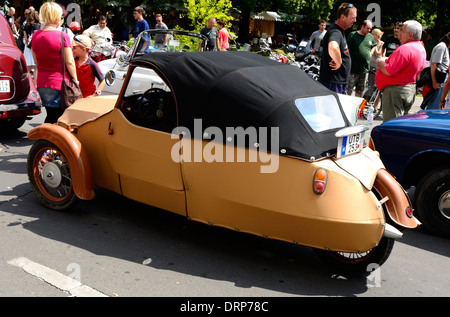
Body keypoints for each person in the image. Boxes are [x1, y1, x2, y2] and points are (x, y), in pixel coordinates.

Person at [31, 1, 78, 123]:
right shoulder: (62, 36)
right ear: (57, 16)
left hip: (42, 83)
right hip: (59, 84)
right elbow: (70, 62)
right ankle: (46, 140)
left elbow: (36, 62)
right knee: (59, 119)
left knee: (51, 115)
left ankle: (45, 139)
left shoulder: (35, 35)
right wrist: (76, 80)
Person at [375, 20, 426, 122]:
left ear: (410, 35)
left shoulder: (405, 48)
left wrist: (380, 62)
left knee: (392, 125)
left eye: (402, 30)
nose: (399, 32)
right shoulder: (420, 47)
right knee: (400, 123)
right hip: (407, 88)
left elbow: (389, 71)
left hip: (396, 91)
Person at [318, 3, 357, 94]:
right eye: (353, 17)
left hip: (336, 83)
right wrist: (338, 61)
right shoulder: (336, 31)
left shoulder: (339, 31)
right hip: (333, 84)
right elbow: (333, 46)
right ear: (343, 17)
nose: (355, 20)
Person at [346, 20, 375, 97]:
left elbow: (374, 46)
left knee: (360, 90)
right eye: (367, 28)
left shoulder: (370, 36)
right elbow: (346, 49)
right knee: (348, 90)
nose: (369, 30)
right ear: (362, 26)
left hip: (364, 70)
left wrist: (371, 53)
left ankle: (357, 107)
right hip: (353, 69)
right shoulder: (353, 35)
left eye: (370, 29)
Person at [421, 32, 450, 109]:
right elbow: (434, 64)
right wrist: (434, 82)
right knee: (434, 107)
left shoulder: (444, 47)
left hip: (441, 78)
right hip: (438, 79)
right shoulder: (442, 47)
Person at [368, 28, 384, 110]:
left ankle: (376, 106)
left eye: (373, 34)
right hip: (371, 66)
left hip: (378, 67)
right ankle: (368, 102)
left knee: (377, 87)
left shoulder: (381, 44)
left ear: (377, 35)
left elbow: (378, 54)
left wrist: (375, 47)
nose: (371, 35)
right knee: (369, 85)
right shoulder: (372, 43)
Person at [23, 9, 40, 84]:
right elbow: (36, 36)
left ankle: (25, 83)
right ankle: (35, 84)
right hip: (34, 47)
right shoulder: (36, 25)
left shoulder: (26, 25)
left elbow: (26, 38)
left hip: (27, 47)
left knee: (27, 68)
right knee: (36, 67)